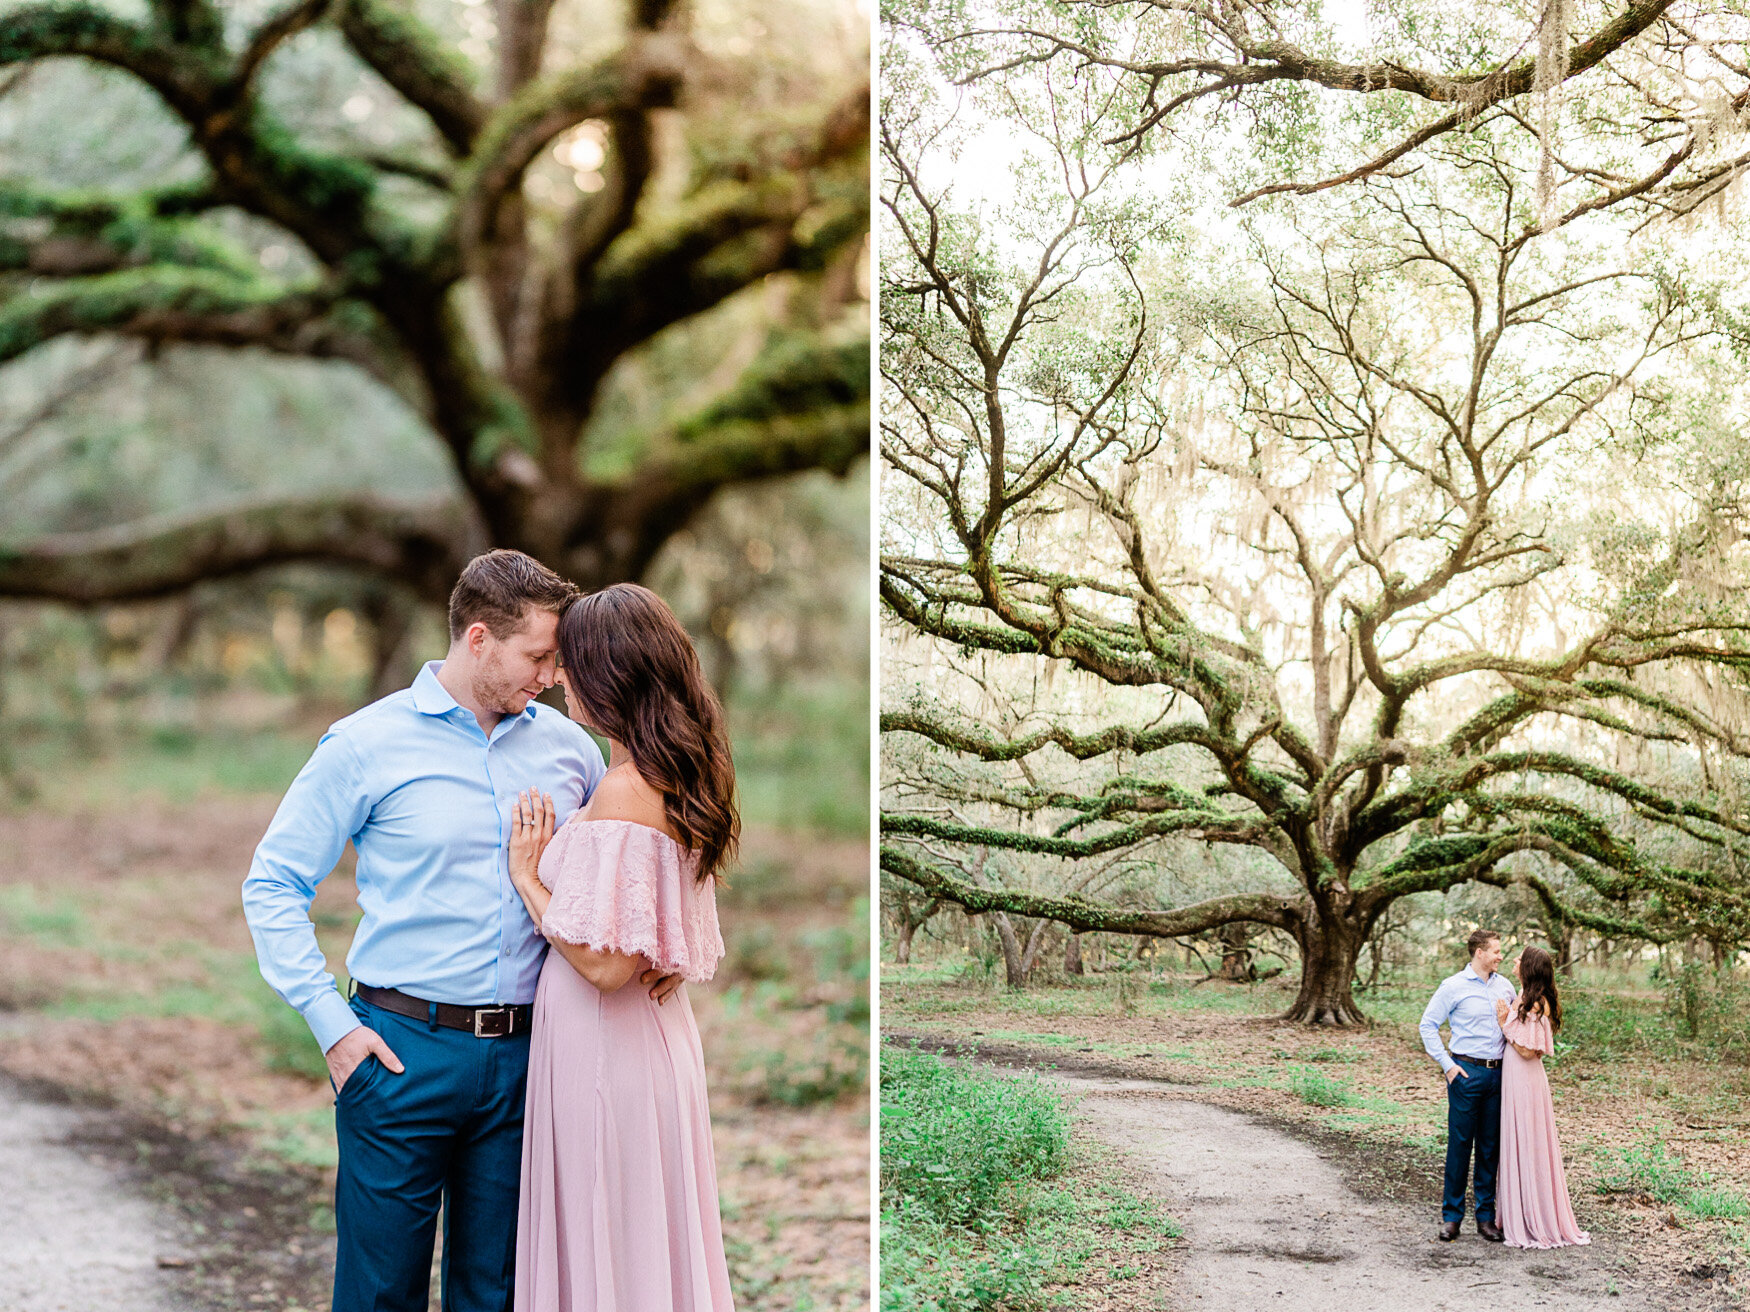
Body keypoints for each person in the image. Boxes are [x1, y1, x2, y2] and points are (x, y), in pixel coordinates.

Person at [242, 549, 677, 1312]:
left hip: (531, 1059)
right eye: (538, 656)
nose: (550, 676)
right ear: (478, 639)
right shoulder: (363, 745)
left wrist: (660, 945)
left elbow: (621, 870)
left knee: (502, 1293)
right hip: (400, 1054)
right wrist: (331, 1026)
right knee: (380, 1294)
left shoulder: (572, 751)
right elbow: (273, 883)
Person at [504, 582, 737, 1312]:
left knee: (607, 1239)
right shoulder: (682, 775)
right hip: (651, 1038)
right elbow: (653, 929)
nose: (559, 678)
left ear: (609, 674)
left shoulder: (624, 790)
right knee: (640, 1243)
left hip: (604, 1048)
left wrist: (527, 878)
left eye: (570, 663)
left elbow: (605, 966)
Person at [1419, 928, 1517, 1243]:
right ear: (1479, 953)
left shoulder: (1506, 987)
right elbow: (1428, 1025)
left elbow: (1516, 1027)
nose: (1500, 956)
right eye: (1496, 951)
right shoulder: (1453, 986)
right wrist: (1448, 1066)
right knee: (1460, 1147)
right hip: (1465, 1074)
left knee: (1490, 1148)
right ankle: (1452, 1217)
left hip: (1498, 1075)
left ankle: (1486, 1218)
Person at [1494, 946, 1590, 1248]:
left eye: (1520, 959)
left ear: (1530, 967)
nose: (1514, 961)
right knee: (1522, 1138)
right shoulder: (1527, 998)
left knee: (1527, 1138)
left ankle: (1531, 1217)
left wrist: (1503, 1023)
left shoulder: (1534, 1002)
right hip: (1518, 1076)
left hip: (1524, 1077)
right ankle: (1520, 1210)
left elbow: (1526, 1049)